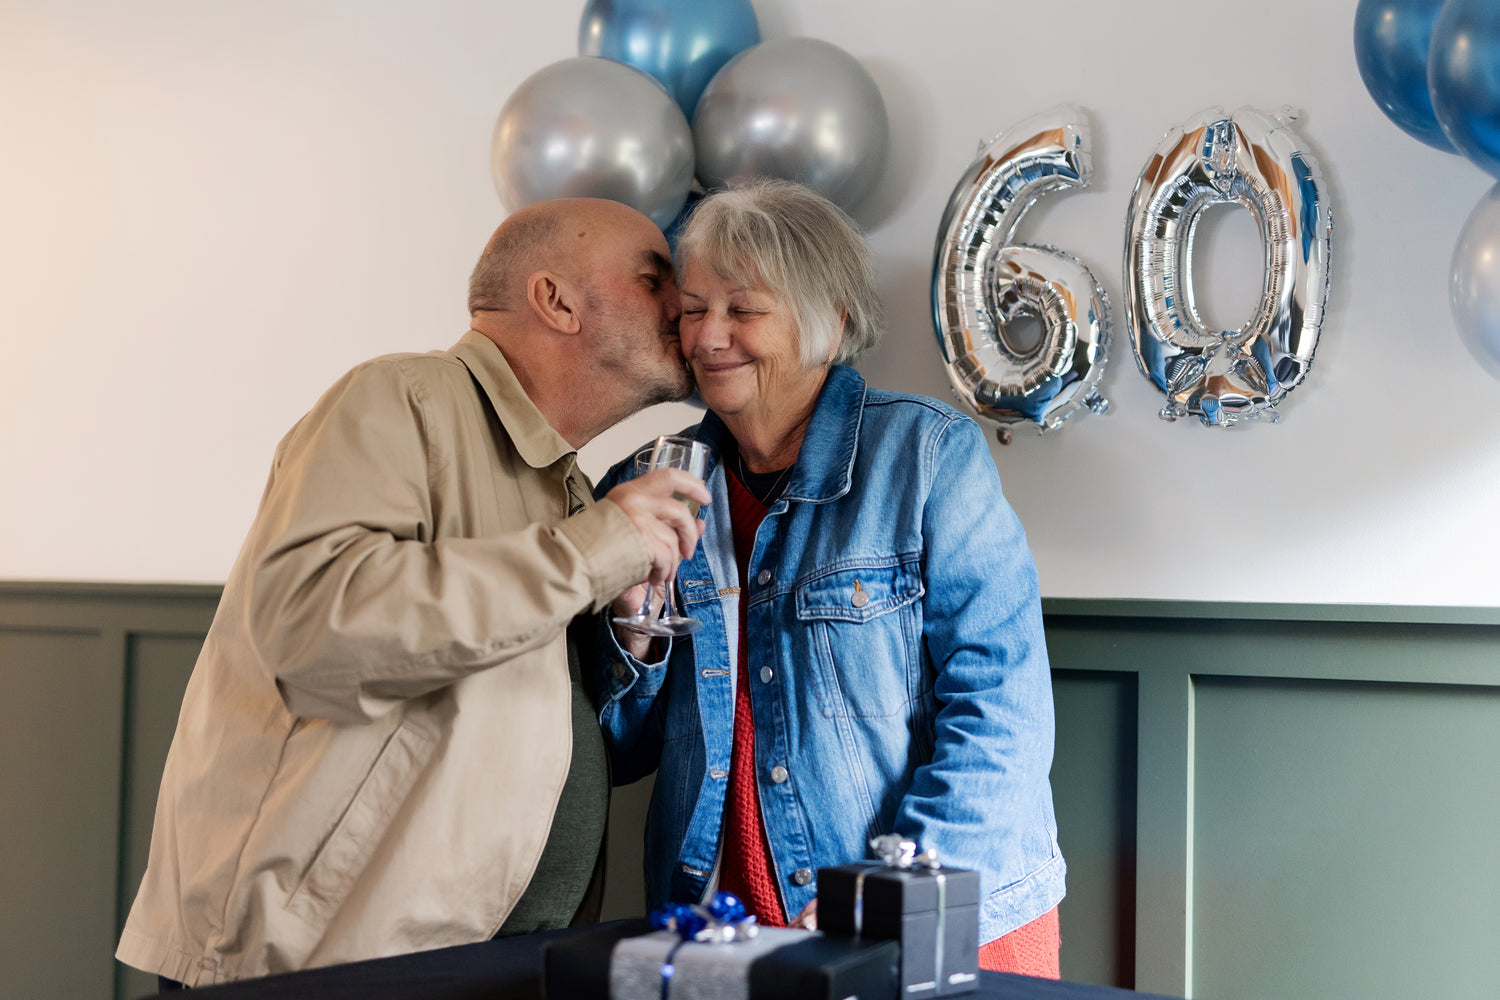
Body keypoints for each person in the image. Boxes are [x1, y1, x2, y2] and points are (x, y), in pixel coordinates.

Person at [115, 198, 712, 987]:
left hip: (483, 965)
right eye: (652, 278)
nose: (686, 303)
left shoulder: (568, 486)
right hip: (319, 968)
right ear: (556, 299)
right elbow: (313, 629)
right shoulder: (401, 399)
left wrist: (623, 637)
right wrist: (594, 549)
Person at [594, 180, 1066, 977]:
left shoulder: (925, 456)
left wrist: (891, 889)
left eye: (743, 310)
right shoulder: (646, 481)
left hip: (932, 918)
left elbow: (1002, 710)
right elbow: (619, 747)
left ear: (830, 321)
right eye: (695, 307)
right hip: (722, 934)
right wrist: (633, 626)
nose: (709, 336)